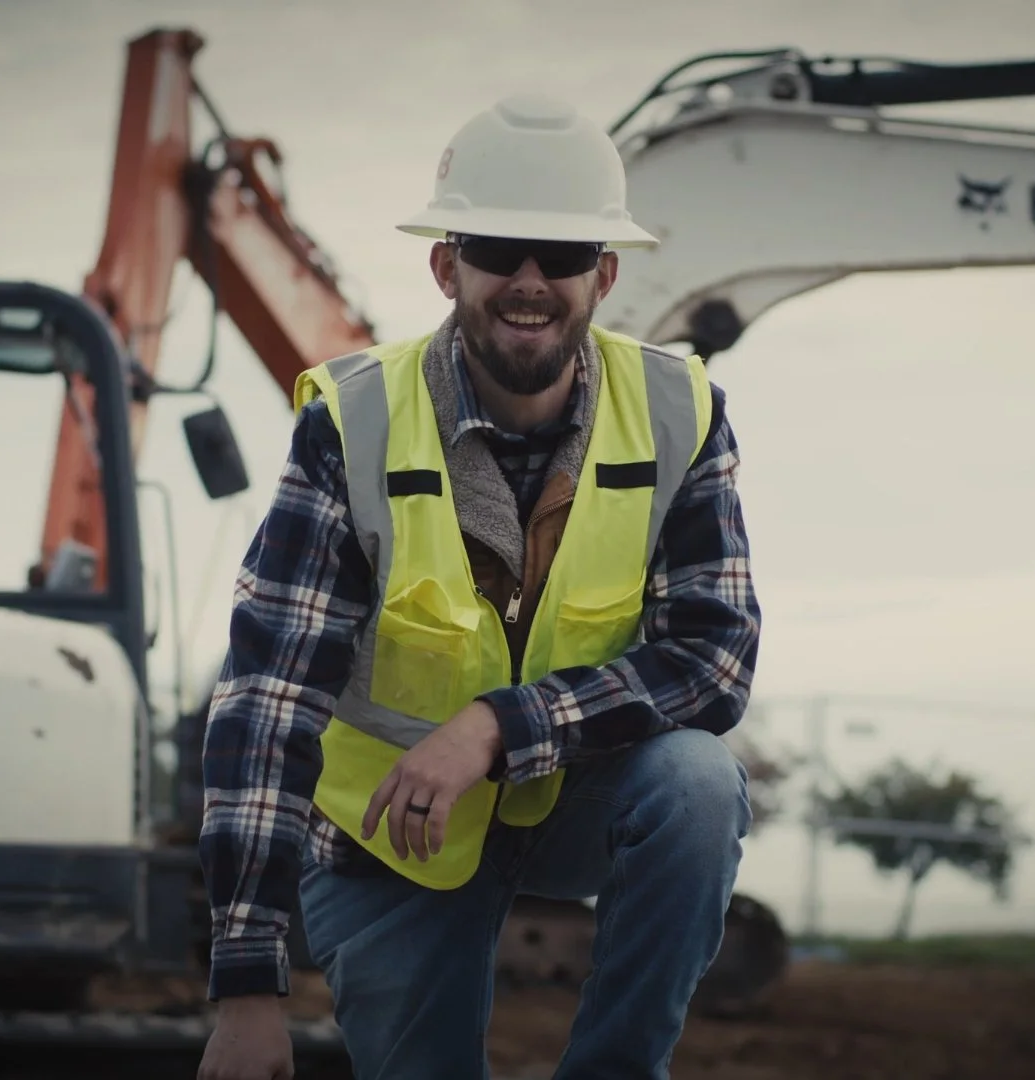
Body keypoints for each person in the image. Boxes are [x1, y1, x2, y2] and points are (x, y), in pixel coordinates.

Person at [197, 92, 764, 1080]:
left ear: (608, 275)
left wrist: (501, 724)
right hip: (392, 839)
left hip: (574, 802)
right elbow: (268, 700)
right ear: (447, 264)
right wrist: (245, 985)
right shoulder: (354, 423)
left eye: (566, 254)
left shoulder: (679, 412)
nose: (532, 280)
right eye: (501, 247)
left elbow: (714, 659)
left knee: (699, 786)